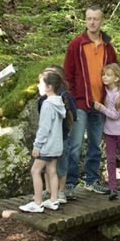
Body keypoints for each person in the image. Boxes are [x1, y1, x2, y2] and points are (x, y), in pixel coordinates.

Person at [64, 6, 117, 195]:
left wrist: (117, 99)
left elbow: (115, 72)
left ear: (101, 21)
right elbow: (67, 75)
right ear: (85, 20)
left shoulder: (108, 46)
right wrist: (68, 100)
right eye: (89, 19)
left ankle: (91, 180)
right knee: (75, 144)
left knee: (95, 144)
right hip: (79, 103)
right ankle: (69, 183)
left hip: (100, 104)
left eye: (96, 19)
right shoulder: (76, 45)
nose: (92, 22)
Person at [19, 69, 66, 214]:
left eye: (40, 83)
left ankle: (37, 203)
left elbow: (44, 129)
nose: (38, 86)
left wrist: (37, 146)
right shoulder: (59, 102)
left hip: (46, 146)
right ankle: (53, 200)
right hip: (56, 146)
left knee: (35, 170)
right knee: (52, 171)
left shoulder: (47, 104)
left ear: (49, 86)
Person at [38, 65, 77, 205]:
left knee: (60, 165)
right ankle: (49, 190)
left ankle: (60, 191)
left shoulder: (66, 97)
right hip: (50, 139)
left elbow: (74, 115)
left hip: (62, 137)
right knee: (48, 166)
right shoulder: (43, 99)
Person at [94, 63, 120, 200]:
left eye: (108, 75)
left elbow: (115, 115)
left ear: (116, 78)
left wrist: (101, 108)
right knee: (110, 160)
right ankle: (112, 188)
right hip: (109, 132)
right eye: (103, 74)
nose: (104, 77)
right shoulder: (104, 91)